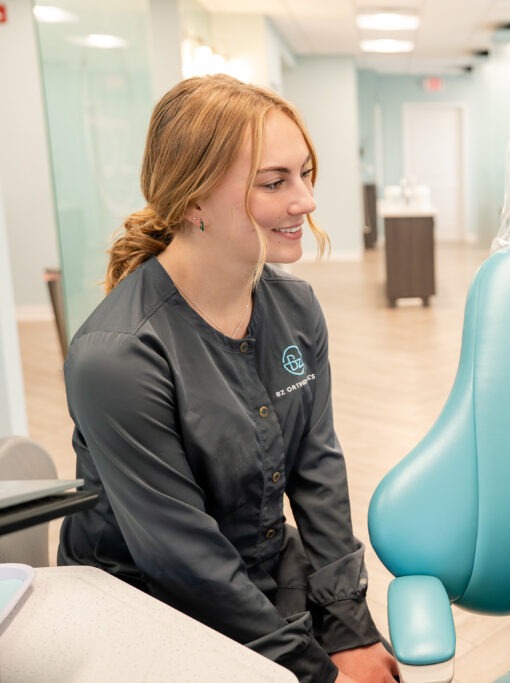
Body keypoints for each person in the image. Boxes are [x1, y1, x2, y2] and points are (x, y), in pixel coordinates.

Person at [58, 74, 398, 683]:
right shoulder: (118, 356)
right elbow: (182, 558)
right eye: (275, 182)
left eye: (305, 173)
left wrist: (349, 627)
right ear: (192, 200)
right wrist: (315, 670)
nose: (306, 201)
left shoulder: (295, 311)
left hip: (259, 564)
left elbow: (317, 471)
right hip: (147, 604)